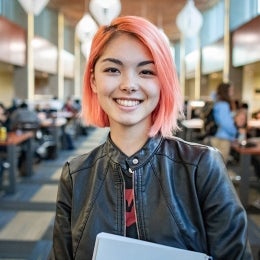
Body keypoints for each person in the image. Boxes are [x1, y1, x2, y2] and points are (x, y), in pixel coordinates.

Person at [51, 16, 252, 259]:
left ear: (163, 82)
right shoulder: (76, 174)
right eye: (113, 69)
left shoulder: (202, 167)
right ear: (94, 80)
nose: (129, 84)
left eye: (146, 71)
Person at [210, 82, 246, 164]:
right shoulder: (223, 105)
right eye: (231, 90)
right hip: (222, 138)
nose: (232, 92)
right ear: (226, 91)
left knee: (215, 164)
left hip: (218, 136)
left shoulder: (218, 102)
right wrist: (236, 134)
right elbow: (226, 124)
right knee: (220, 165)